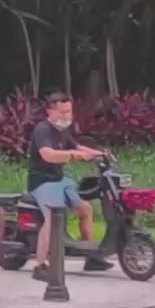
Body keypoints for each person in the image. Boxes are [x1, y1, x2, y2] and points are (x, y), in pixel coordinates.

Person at [25, 91, 108, 281]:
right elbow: (48, 154)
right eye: (62, 113)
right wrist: (73, 155)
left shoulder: (62, 131)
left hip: (59, 180)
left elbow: (78, 147)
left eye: (69, 112)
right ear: (50, 112)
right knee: (51, 219)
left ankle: (91, 258)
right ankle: (40, 265)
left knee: (85, 210)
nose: (66, 116)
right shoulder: (42, 130)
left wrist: (100, 154)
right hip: (42, 183)